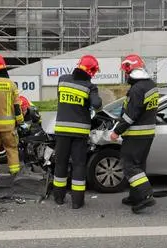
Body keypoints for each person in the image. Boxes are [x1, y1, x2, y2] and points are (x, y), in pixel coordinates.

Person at [110, 54, 158, 214]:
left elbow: (131, 115)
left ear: (130, 70)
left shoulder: (137, 89)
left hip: (136, 134)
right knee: (139, 166)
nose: (125, 75)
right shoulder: (150, 85)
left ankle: (145, 195)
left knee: (129, 166)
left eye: (125, 71)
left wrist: (117, 131)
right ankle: (135, 196)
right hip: (147, 133)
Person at [53, 55, 102, 209]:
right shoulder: (90, 86)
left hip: (61, 131)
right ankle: (77, 202)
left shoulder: (62, 79)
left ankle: (59, 198)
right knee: (79, 165)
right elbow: (97, 104)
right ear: (92, 71)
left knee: (60, 163)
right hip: (80, 133)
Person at [0, 54, 26, 185]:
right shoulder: (11, 84)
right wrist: (20, 121)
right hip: (8, 126)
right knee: (12, 150)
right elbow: (17, 106)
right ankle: (15, 178)